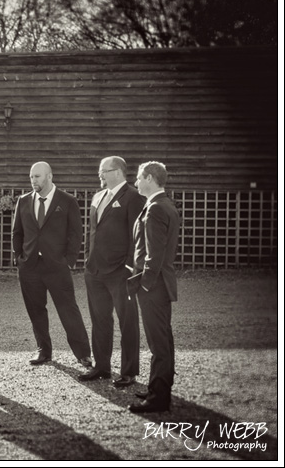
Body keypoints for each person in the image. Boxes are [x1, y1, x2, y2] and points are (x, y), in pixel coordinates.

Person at [11, 161, 93, 368]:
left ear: (49, 176)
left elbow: (76, 233)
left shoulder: (67, 201)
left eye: (37, 176)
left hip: (57, 266)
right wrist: (19, 259)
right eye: (31, 177)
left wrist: (69, 261)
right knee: (36, 310)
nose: (33, 180)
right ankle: (44, 351)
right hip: (29, 266)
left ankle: (83, 353)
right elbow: (17, 232)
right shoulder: (23, 201)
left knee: (68, 309)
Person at [79, 157, 145, 386]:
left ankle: (129, 371)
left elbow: (137, 235)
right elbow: (94, 232)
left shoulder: (134, 197)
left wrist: (129, 266)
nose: (100, 176)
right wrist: (88, 261)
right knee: (99, 320)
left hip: (120, 271)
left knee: (127, 321)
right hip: (95, 270)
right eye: (100, 172)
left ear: (117, 172)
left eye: (103, 171)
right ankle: (102, 367)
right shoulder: (98, 196)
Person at [127, 161, 180, 413]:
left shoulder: (156, 208)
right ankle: (158, 387)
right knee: (163, 339)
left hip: (154, 286)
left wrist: (145, 284)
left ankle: (159, 398)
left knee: (158, 342)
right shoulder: (163, 204)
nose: (136, 182)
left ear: (149, 178)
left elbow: (154, 254)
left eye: (138, 178)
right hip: (160, 284)